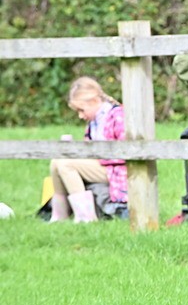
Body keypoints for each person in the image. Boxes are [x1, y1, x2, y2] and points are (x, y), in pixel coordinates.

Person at [46, 77, 127, 223]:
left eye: (81, 110)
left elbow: (127, 151)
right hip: (100, 165)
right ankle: (59, 214)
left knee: (66, 165)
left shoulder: (117, 116)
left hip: (117, 170)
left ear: (94, 101)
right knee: (56, 162)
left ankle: (85, 217)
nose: (80, 115)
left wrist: (97, 157)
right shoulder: (94, 121)